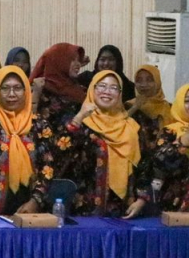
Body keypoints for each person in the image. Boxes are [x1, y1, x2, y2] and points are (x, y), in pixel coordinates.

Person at [48, 70, 150, 218]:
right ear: (92, 89)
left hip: (123, 212)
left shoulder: (131, 127)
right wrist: (80, 116)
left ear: (120, 94)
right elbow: (58, 153)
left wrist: (141, 199)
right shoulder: (80, 122)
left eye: (113, 88)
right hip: (83, 211)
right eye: (102, 86)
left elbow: (144, 165)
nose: (107, 92)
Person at [0, 66, 52, 217]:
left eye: (17, 88)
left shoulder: (38, 125)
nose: (11, 94)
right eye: (5, 88)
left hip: (29, 210)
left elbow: (47, 167)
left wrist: (35, 201)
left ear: (26, 91)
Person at [132, 83, 189, 212]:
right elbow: (157, 164)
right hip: (175, 204)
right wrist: (181, 142)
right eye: (187, 101)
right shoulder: (170, 132)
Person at [30, 43, 88, 127]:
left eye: (79, 60)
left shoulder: (77, 88)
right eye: (72, 60)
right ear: (60, 61)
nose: (78, 64)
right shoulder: (42, 90)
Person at [128, 64, 172, 138]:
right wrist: (134, 108)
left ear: (157, 82)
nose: (143, 85)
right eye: (139, 80)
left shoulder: (169, 108)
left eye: (149, 80)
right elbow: (117, 128)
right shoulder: (128, 106)